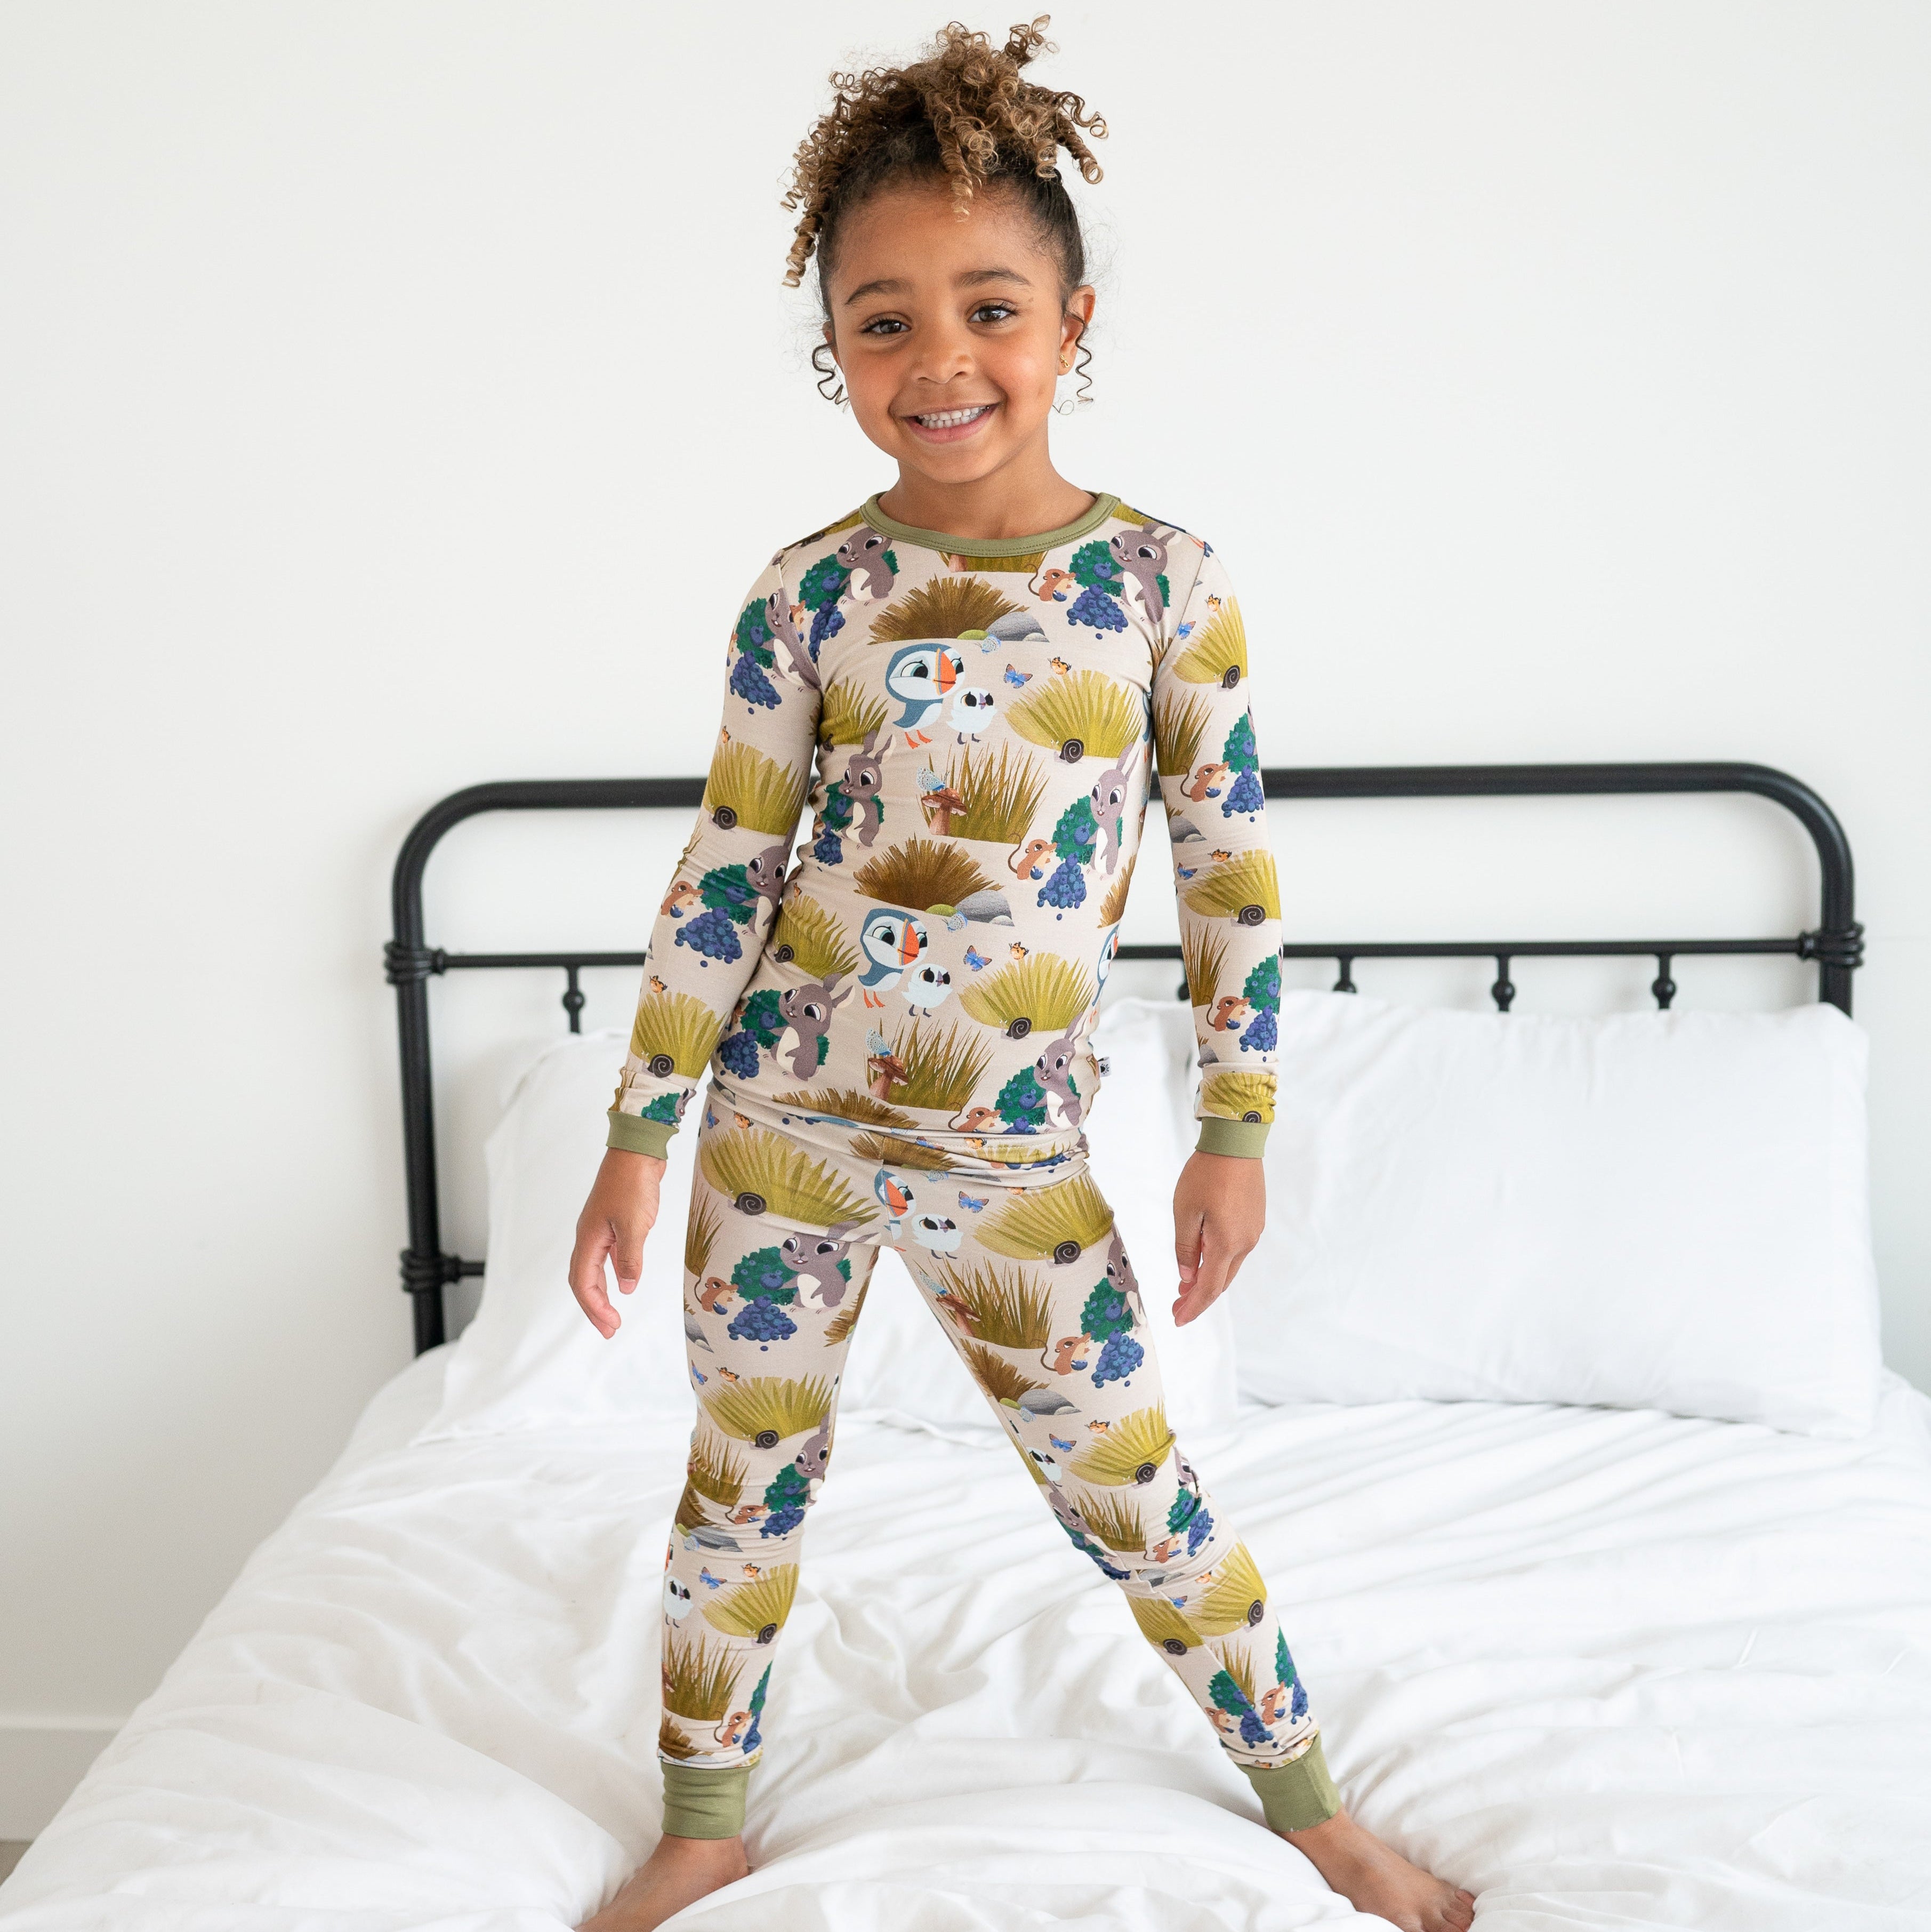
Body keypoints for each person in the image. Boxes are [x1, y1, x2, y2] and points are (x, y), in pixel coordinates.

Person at [567, 20, 1476, 1931]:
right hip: (779, 1125)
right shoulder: (808, 593)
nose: (942, 360)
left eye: (990, 308)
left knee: (1129, 1483)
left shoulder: (1165, 586)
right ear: (835, 350)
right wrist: (641, 1135)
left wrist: (1237, 1127)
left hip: (1007, 1154)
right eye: (882, 322)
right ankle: (705, 1822)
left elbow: (1229, 874)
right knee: (740, 1487)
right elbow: (728, 869)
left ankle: (1313, 1807)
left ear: (1071, 322)